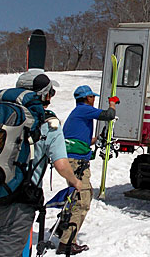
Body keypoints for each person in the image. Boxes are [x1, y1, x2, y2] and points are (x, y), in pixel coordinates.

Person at [0, 70, 82, 257]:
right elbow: (61, 165)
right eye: (51, 92)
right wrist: (75, 182)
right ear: (45, 95)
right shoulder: (48, 124)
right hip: (17, 204)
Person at [59, 85, 119, 255]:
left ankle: (64, 228)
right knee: (82, 200)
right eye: (92, 97)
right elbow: (109, 115)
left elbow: (79, 139)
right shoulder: (84, 110)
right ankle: (67, 242)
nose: (94, 99)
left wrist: (97, 140)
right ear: (87, 98)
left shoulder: (78, 113)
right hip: (76, 162)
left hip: (74, 159)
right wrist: (112, 103)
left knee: (77, 196)